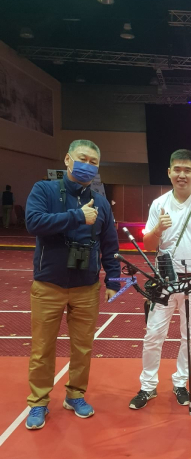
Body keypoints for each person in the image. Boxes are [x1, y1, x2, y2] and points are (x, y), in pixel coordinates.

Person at [24, 140, 120, 430]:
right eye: (82, 158)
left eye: (93, 162)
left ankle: (75, 394)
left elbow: (110, 244)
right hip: (49, 284)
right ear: (68, 159)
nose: (87, 165)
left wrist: (113, 279)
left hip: (86, 286)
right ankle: (39, 401)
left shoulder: (101, 202)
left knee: (83, 347)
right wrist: (77, 216)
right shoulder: (44, 190)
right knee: (42, 348)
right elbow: (33, 223)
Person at [130, 149, 191, 410]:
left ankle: (181, 382)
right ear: (169, 172)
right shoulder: (159, 204)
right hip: (165, 280)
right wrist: (158, 229)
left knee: (190, 336)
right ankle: (148, 386)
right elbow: (149, 245)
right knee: (153, 335)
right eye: (177, 170)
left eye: (187, 170)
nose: (182, 175)